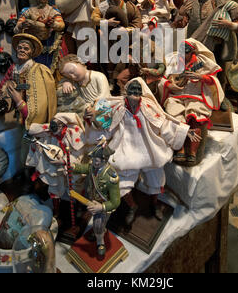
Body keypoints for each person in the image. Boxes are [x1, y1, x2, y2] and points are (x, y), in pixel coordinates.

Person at [105, 78, 199, 224]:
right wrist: (100, 135)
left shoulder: (148, 106)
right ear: (126, 92)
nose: (135, 93)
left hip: (150, 150)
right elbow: (108, 126)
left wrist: (185, 132)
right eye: (132, 90)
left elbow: (164, 124)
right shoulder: (118, 108)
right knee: (121, 183)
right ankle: (132, 206)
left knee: (156, 181)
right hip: (125, 151)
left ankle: (154, 204)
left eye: (138, 91)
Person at [174, 0, 238, 101]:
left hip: (217, 44)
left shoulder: (223, 0)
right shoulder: (191, 1)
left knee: (218, 72)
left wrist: (230, 24)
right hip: (195, 46)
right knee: (195, 71)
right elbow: (180, 26)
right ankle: (198, 97)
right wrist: (181, 13)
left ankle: (219, 97)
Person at [159, 39, 224, 165]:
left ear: (193, 51)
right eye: (181, 51)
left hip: (196, 96)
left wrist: (201, 77)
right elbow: (163, 80)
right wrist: (170, 85)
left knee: (195, 114)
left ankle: (193, 152)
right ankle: (180, 148)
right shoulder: (174, 60)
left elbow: (213, 80)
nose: (183, 54)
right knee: (175, 116)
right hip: (176, 96)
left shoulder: (202, 62)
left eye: (186, 51)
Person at [0, 33, 57, 131]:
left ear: (32, 52)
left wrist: (19, 101)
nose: (22, 50)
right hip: (18, 115)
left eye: (26, 48)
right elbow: (3, 85)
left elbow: (42, 103)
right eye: (20, 47)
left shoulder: (39, 70)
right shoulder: (14, 68)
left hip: (31, 113)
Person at [25, 113, 86, 217]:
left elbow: (79, 154)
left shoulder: (73, 134)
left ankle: (80, 207)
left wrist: (65, 161)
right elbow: (35, 133)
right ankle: (56, 211)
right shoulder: (50, 133)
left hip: (70, 167)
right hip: (54, 168)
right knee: (54, 187)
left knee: (76, 187)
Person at [73, 139, 121, 258]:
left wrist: (101, 207)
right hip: (89, 199)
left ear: (104, 160)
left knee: (98, 225)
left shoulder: (111, 177)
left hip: (102, 205)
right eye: (93, 159)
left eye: (97, 160)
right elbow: (83, 168)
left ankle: (100, 242)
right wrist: (69, 166)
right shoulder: (92, 166)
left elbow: (115, 202)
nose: (94, 162)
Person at [14, 0, 66, 73]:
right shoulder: (28, 11)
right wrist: (21, 25)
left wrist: (53, 24)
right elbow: (16, 29)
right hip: (32, 46)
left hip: (49, 46)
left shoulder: (53, 11)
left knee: (50, 70)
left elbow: (61, 26)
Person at [56, 54, 110, 121]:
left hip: (102, 105)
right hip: (86, 109)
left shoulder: (98, 76)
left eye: (72, 72)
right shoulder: (75, 81)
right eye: (68, 76)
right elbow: (59, 84)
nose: (72, 77)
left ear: (81, 63)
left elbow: (105, 95)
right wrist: (66, 82)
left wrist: (95, 107)